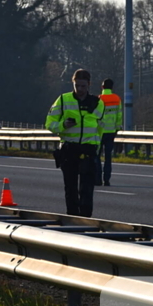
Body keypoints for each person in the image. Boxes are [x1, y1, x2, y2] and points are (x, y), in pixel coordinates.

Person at [45, 68, 104, 218]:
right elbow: (49, 123)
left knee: (87, 188)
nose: (80, 89)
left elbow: (100, 127)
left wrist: (97, 147)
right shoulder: (63, 100)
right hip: (69, 148)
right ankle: (72, 218)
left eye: (83, 86)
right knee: (70, 187)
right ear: (73, 83)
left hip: (89, 149)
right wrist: (63, 125)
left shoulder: (97, 103)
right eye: (77, 85)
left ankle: (86, 218)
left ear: (89, 84)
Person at [96, 78, 123, 187]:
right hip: (111, 131)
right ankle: (107, 180)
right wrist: (117, 128)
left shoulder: (99, 99)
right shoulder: (116, 99)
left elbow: (96, 116)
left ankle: (98, 179)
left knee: (97, 156)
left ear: (102, 87)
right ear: (112, 87)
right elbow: (119, 115)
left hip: (100, 132)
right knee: (108, 157)